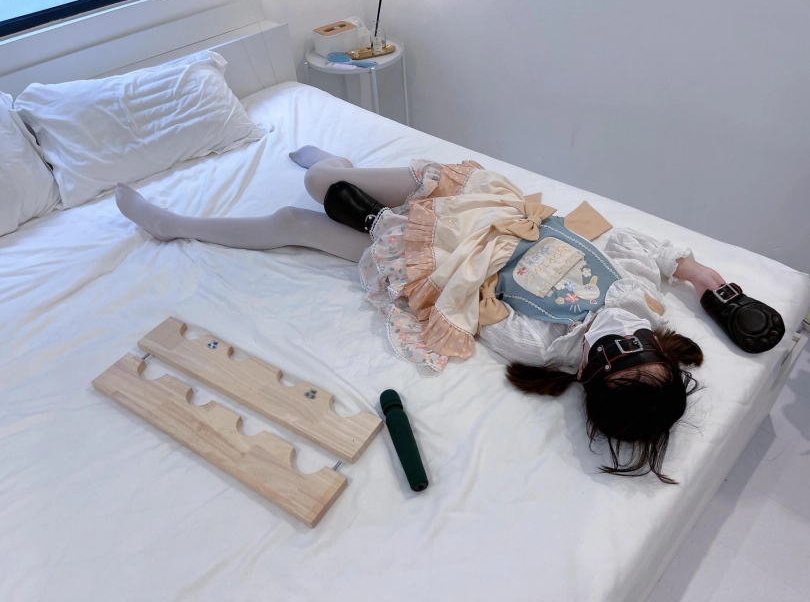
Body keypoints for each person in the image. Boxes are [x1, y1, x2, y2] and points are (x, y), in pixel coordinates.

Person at [116, 146, 784, 483]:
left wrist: (386, 229)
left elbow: (456, 295)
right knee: (323, 182)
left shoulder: (538, 344)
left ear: (586, 373)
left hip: (432, 250)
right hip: (484, 203)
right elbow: (654, 249)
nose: (615, 339)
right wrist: (712, 288)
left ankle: (173, 226)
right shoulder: (639, 297)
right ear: (660, 349)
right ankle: (323, 161)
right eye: (637, 348)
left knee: (299, 219)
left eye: (608, 360)